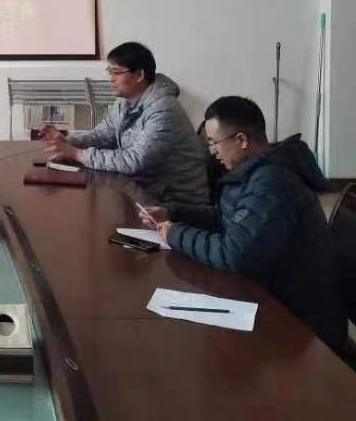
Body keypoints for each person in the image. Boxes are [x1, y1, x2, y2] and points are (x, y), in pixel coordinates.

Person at [142, 96, 346, 351]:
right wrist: (172, 212)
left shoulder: (273, 182)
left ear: (241, 140)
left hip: (300, 324)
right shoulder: (255, 171)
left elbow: (234, 254)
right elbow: (225, 217)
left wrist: (174, 234)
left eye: (213, 142)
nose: (213, 152)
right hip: (270, 296)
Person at [43, 41, 208, 205]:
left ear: (139, 75)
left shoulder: (163, 109)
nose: (111, 79)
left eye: (116, 72)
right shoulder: (124, 102)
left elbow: (134, 160)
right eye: (109, 72)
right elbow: (102, 135)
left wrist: (77, 154)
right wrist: (69, 142)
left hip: (176, 203)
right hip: (144, 189)